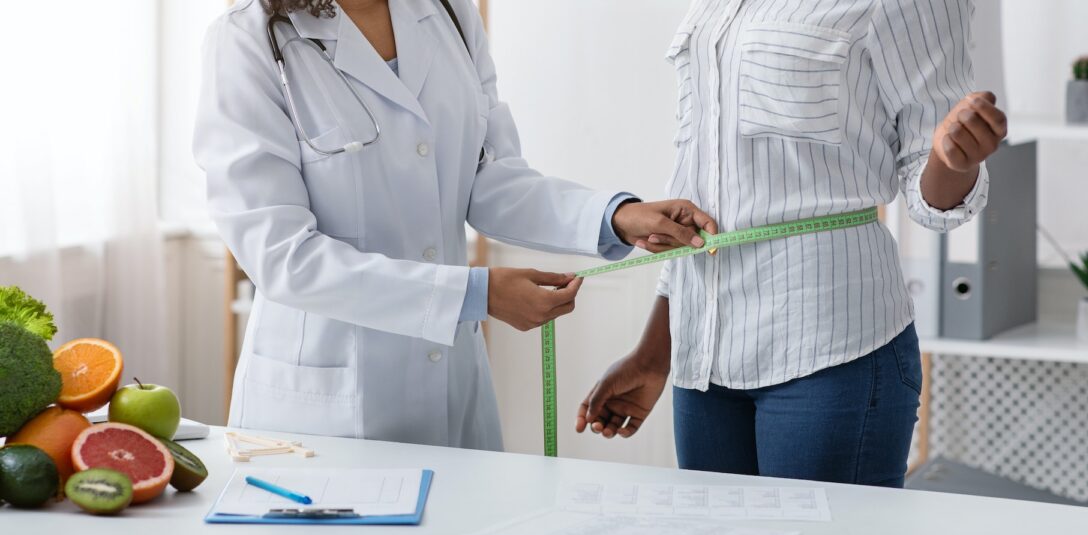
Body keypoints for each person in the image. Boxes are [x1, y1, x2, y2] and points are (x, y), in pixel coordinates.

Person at [193, 0, 716, 450]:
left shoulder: (449, 12)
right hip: (324, 410)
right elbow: (283, 257)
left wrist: (614, 217)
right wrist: (473, 295)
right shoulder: (247, 39)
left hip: (451, 389)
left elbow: (487, 178)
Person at [577, 0, 1007, 487]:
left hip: (832, 353)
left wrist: (953, 161)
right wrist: (654, 353)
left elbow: (931, 196)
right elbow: (702, 200)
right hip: (703, 364)